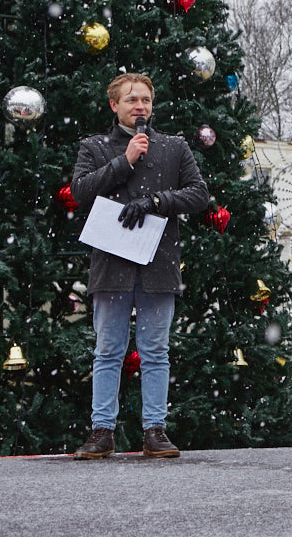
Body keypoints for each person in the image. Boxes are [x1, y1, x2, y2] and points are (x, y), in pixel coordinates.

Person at [69, 72, 210, 459]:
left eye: (146, 99)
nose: (140, 106)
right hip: (111, 265)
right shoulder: (94, 147)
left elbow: (199, 194)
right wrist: (125, 161)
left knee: (155, 351)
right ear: (114, 105)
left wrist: (157, 202)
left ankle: (155, 430)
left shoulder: (173, 147)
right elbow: (80, 191)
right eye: (131, 100)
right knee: (108, 350)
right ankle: (102, 431)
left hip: (157, 264)